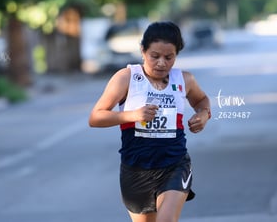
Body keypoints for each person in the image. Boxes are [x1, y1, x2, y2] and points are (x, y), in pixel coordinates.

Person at [88, 21, 211, 222]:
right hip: (136, 168)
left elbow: (201, 101)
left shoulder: (184, 80)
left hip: (174, 163)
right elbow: (95, 117)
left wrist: (203, 115)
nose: (162, 63)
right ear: (143, 51)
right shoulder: (126, 78)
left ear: (176, 55)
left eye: (169, 57)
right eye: (155, 56)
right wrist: (132, 115)